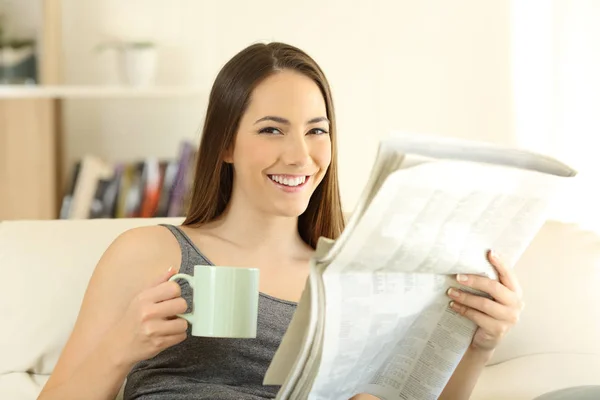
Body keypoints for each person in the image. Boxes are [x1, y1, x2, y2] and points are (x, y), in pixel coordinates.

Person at [37, 42, 524, 400]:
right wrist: (121, 348)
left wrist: (479, 345)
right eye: (272, 130)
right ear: (225, 145)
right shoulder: (151, 253)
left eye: (316, 131)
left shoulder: (353, 278)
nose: (300, 156)